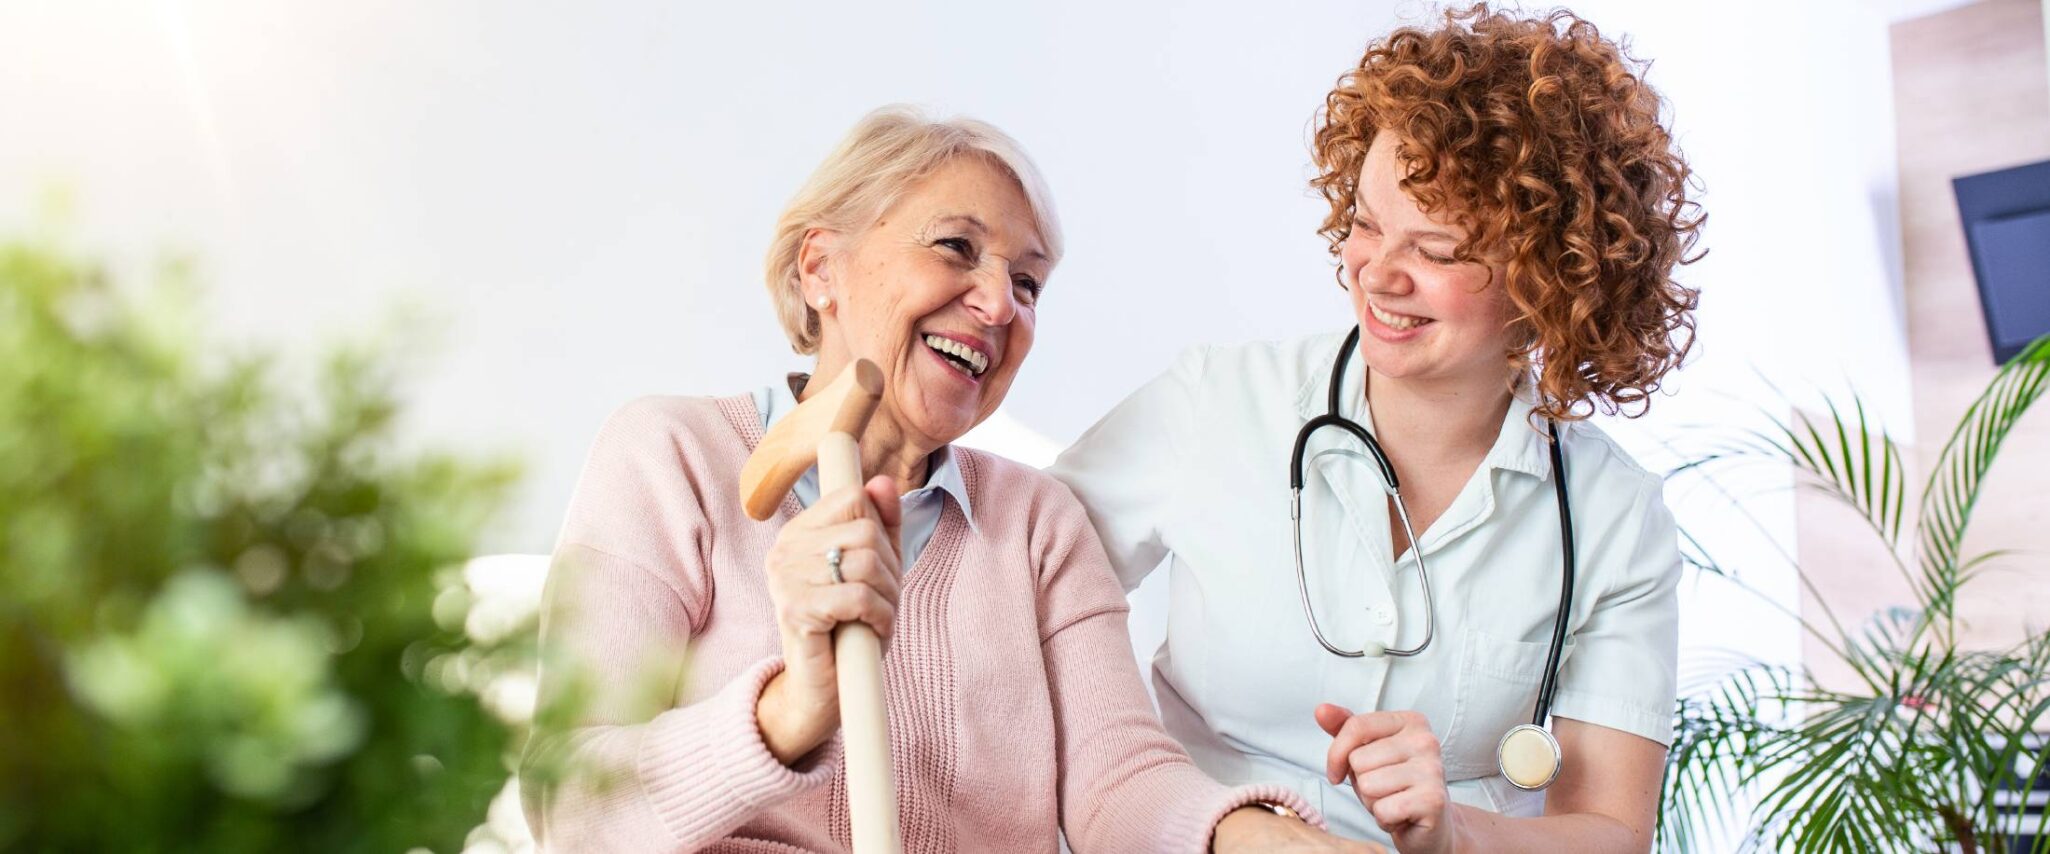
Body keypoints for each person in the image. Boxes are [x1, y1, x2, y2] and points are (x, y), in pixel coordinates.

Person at [518, 106, 1365, 853]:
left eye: (1028, 282)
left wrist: (1258, 837)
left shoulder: (1037, 523)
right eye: (956, 247)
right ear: (821, 269)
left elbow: (1120, 782)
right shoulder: (671, 455)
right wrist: (790, 709)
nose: (1000, 305)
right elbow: (569, 802)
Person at [1049, 6, 1702, 851]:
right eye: (1364, 223)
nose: (1379, 276)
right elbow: (1013, 578)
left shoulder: (1614, 518)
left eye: (1436, 249)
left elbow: (1611, 828)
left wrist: (1451, 834)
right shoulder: (1217, 404)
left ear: (1551, 276)